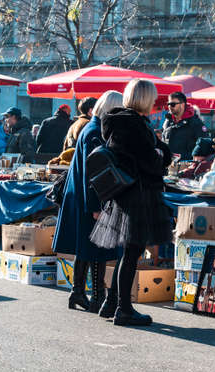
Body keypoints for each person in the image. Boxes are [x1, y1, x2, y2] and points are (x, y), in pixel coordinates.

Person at [90, 79, 172, 326]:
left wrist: (159, 151)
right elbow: (152, 160)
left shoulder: (118, 122)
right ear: (146, 99)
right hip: (140, 193)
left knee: (129, 251)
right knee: (132, 251)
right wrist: (159, 155)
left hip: (125, 193)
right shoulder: (135, 125)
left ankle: (113, 302)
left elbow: (155, 152)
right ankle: (124, 309)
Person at [53, 91, 123, 316]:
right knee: (96, 248)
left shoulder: (92, 128)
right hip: (88, 197)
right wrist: (96, 207)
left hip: (82, 196)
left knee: (87, 246)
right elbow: (95, 173)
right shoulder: (94, 132)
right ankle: (95, 296)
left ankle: (79, 292)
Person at [162, 91, 207, 160]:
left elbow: (204, 149)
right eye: (168, 104)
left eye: (173, 104)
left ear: (182, 105)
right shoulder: (167, 122)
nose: (169, 107)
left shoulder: (195, 123)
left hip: (187, 167)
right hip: (167, 167)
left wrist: (182, 157)